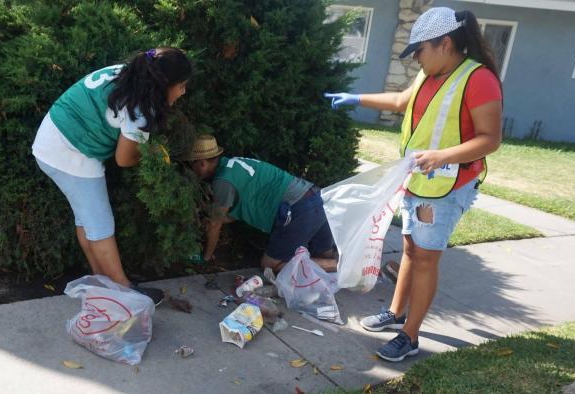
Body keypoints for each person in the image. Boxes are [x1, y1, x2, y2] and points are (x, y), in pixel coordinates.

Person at [326, 7, 503, 362]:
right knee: (410, 249)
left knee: (425, 258)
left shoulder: (478, 79)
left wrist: (442, 156)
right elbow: (399, 101)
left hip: (447, 186)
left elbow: (491, 139)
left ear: (445, 44)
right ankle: (395, 313)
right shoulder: (429, 73)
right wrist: (355, 98)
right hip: (417, 179)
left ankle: (410, 335)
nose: (416, 59)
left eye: (420, 50)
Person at [32, 47, 192, 304]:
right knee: (100, 226)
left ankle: (102, 281)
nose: (183, 92)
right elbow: (124, 159)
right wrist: (151, 153)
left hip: (54, 137)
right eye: (181, 86)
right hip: (69, 152)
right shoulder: (142, 109)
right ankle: (125, 292)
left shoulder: (131, 73)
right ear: (164, 84)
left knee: (87, 219)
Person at [183, 134, 337, 274]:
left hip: (297, 209)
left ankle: (339, 265)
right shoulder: (234, 164)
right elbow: (240, 207)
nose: (191, 168)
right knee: (323, 255)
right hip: (316, 197)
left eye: (191, 164)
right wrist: (212, 219)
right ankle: (339, 264)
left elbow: (215, 225)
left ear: (202, 163)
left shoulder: (222, 181)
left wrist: (206, 257)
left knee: (270, 266)